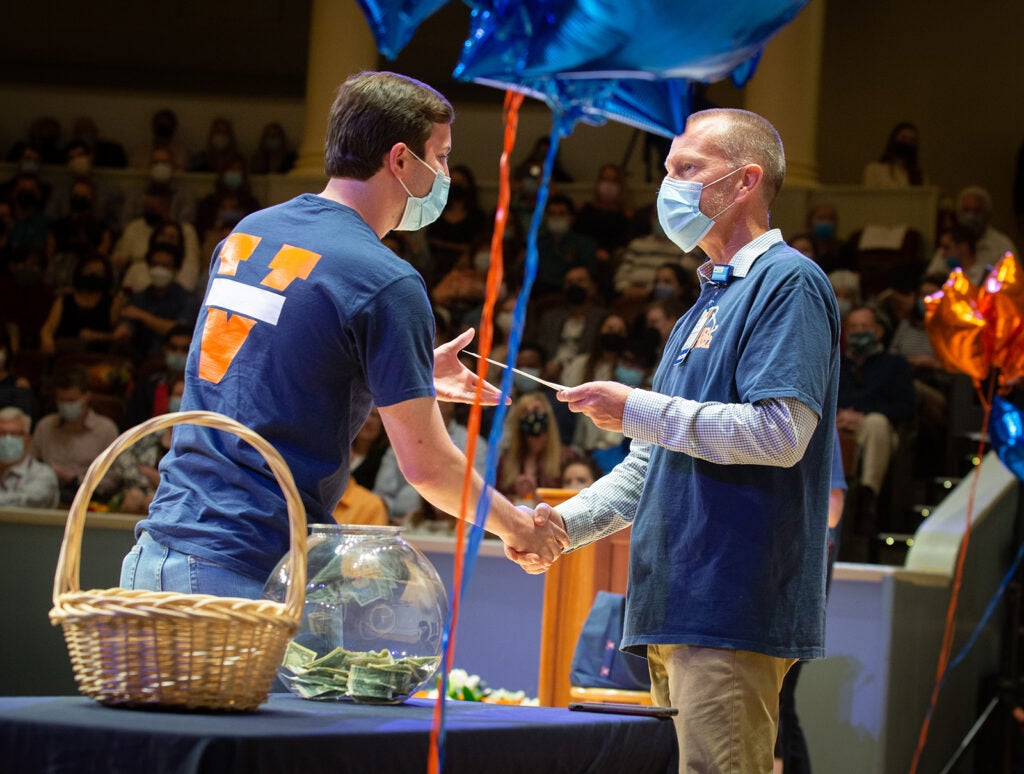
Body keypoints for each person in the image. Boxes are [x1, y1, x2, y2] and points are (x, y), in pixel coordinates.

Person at [119, 71, 567, 600]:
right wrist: (517, 526)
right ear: (400, 160)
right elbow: (428, 467)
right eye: (441, 156)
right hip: (242, 569)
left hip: (157, 550)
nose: (446, 173)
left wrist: (408, 372)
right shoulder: (385, 279)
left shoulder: (249, 232)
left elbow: (269, 369)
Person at [508, 107, 842, 774]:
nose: (670, 186)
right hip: (672, 605)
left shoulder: (789, 282)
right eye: (667, 171)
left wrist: (637, 407)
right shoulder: (703, 305)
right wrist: (559, 527)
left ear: (746, 181)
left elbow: (780, 433)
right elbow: (647, 469)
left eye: (688, 169)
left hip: (732, 603)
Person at [836, 305, 915, 546]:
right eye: (854, 328)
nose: (859, 332)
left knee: (876, 424)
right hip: (841, 428)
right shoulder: (836, 364)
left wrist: (863, 415)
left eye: (865, 327)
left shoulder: (895, 364)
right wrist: (840, 414)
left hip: (879, 431)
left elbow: (906, 407)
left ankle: (867, 499)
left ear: (879, 331)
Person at [30, 365, 119, 505]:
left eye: (71, 401)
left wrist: (74, 480)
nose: (66, 406)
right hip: (44, 498)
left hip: (89, 501)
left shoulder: (106, 429)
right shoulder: (45, 426)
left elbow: (113, 479)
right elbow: (29, 465)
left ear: (87, 396)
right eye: (62, 400)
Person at [0, 406, 59, 508]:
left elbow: (23, 504)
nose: (7, 439)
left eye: (15, 434)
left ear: (28, 439)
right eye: (2, 433)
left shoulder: (43, 474)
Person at [862, 122, 926, 188]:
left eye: (912, 140)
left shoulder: (919, 175)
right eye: (904, 138)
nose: (907, 142)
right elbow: (869, 196)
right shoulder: (874, 170)